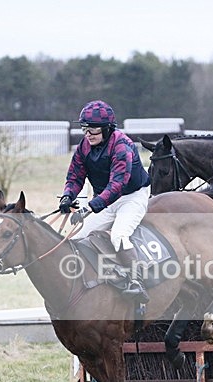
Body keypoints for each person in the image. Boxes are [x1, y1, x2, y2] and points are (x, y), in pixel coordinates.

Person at [58, 100, 151, 303]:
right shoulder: (84, 146)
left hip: (131, 196)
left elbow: (117, 185)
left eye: (93, 129)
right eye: (85, 129)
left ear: (107, 129)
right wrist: (68, 196)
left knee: (119, 235)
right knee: (77, 238)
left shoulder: (122, 145)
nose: (88, 134)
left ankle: (137, 282)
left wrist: (90, 208)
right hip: (105, 199)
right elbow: (75, 177)